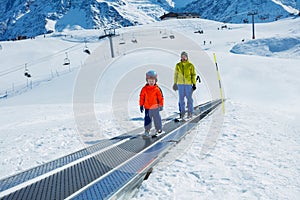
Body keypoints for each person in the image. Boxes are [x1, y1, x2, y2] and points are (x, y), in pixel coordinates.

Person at [139, 70, 164, 136]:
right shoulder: (144, 89)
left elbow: (160, 97)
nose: (151, 82)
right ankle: (147, 129)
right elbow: (141, 97)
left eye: (152, 81)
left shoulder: (157, 89)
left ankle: (159, 129)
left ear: (155, 81)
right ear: (147, 80)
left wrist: (161, 105)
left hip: (155, 107)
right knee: (147, 119)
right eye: (149, 81)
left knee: (157, 119)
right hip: (147, 108)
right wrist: (141, 105)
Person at [173, 51, 196, 119]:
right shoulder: (178, 65)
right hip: (180, 84)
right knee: (181, 99)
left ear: (187, 57)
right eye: (182, 56)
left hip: (188, 84)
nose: (183, 58)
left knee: (189, 99)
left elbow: (193, 75)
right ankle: (182, 112)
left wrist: (194, 84)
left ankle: (190, 112)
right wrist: (175, 83)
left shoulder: (190, 65)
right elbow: (176, 75)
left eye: (184, 56)